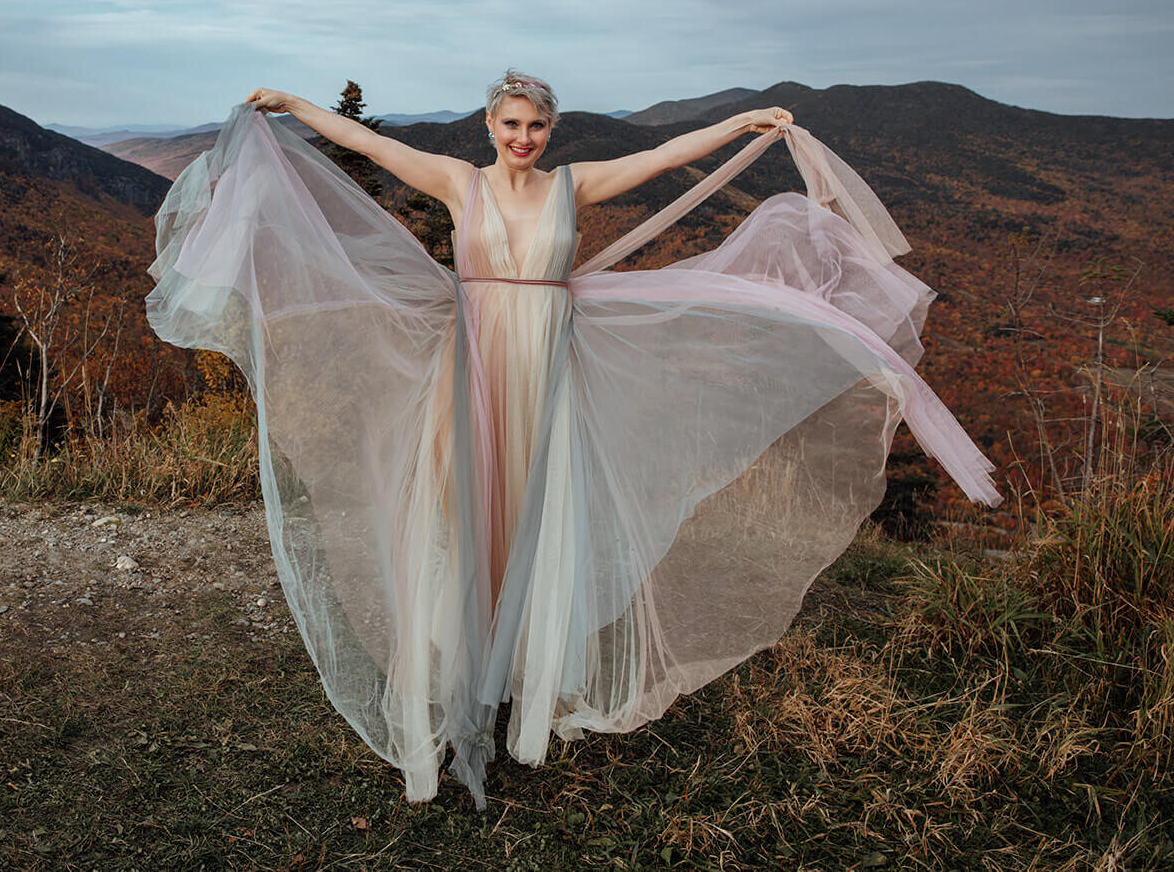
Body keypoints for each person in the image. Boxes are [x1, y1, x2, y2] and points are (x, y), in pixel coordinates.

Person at [146, 70, 998, 810]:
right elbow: (361, 147)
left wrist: (741, 125)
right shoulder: (454, 179)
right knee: (462, 523)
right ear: (489, 127)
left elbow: (663, 160)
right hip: (473, 374)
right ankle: (455, 689)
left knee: (532, 525)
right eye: (510, 124)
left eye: (537, 126)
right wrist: (293, 102)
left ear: (552, 131)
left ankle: (515, 683)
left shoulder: (572, 185)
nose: (523, 138)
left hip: (548, 376)